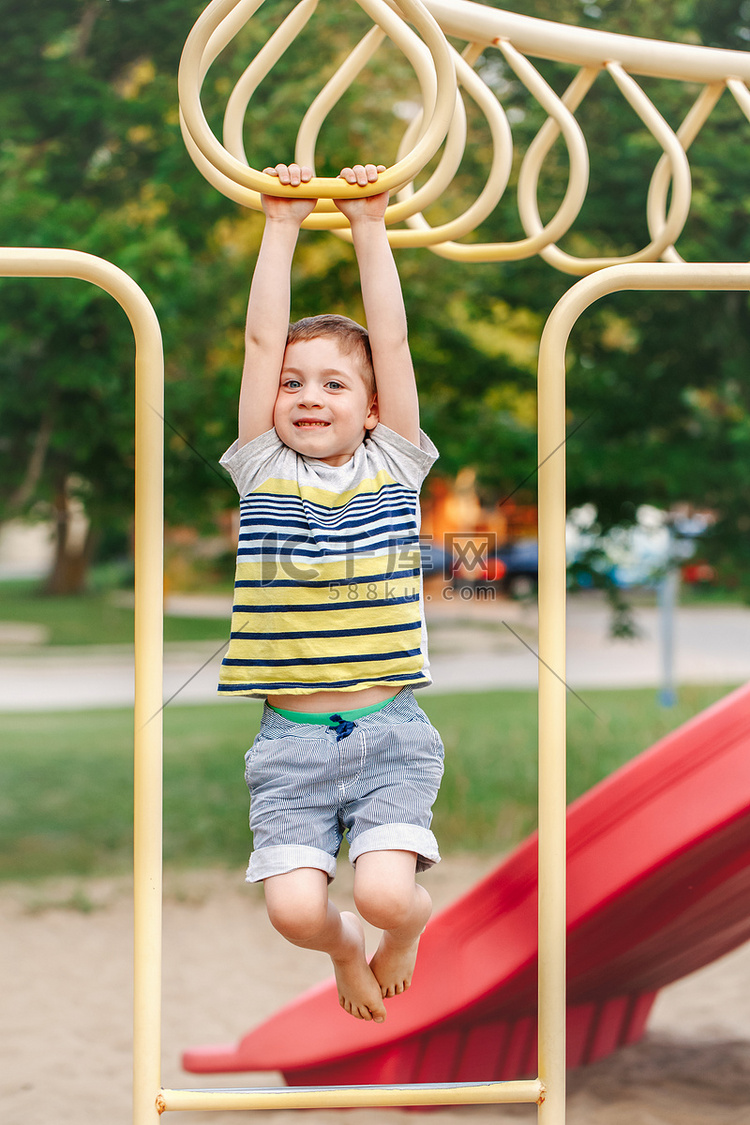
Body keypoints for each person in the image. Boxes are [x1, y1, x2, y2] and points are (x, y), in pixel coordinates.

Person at [218, 161, 444, 1024]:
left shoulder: (396, 461)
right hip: (290, 747)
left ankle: (396, 932)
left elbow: (391, 341)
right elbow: (257, 342)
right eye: (293, 382)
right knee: (296, 913)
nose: (308, 395)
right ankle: (344, 947)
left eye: (333, 383)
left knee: (390, 894)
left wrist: (369, 225)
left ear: (374, 404)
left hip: (389, 735)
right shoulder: (261, 468)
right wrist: (280, 225)